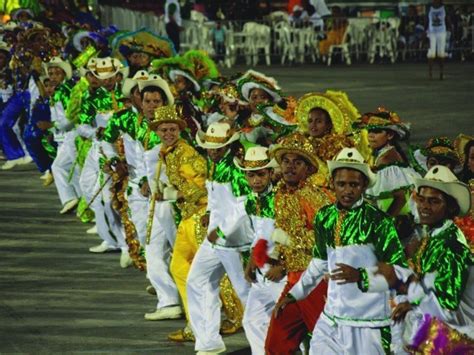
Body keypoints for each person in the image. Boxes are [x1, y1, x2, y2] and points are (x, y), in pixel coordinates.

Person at [274, 147, 408, 354]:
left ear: (364, 185)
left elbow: (398, 270)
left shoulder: (378, 221)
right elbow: (319, 262)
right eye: (341, 184)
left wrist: (361, 276)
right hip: (331, 319)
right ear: (333, 185)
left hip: (368, 323)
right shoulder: (325, 217)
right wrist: (295, 294)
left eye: (354, 185)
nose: (347, 191)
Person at [376, 165, 473, 352]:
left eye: (434, 201)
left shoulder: (452, 246)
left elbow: (446, 308)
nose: (425, 207)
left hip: (456, 337)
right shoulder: (433, 235)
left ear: (450, 206)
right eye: (421, 200)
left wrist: (408, 300)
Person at [264, 132, 332, 354]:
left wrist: (290, 239)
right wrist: (281, 260)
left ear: (308, 168)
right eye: (286, 161)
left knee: (329, 342)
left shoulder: (313, 197)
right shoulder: (280, 194)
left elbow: (328, 240)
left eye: (297, 162)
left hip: (316, 280)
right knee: (277, 341)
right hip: (294, 279)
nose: (290, 167)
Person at [235, 146, 286, 355]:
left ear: (271, 173)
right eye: (251, 175)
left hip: (281, 274)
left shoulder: (282, 200)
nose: (256, 180)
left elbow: (295, 237)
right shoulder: (251, 201)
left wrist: (283, 267)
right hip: (261, 275)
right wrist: (250, 264)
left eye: (261, 174)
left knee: (294, 326)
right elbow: (259, 238)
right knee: (252, 320)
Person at [427, 0, 451, 80]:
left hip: (441, 32)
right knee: (431, 53)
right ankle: (430, 73)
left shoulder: (444, 8)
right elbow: (426, 19)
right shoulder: (429, 7)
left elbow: (448, 19)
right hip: (432, 32)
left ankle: (441, 72)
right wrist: (425, 30)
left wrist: (450, 28)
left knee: (441, 53)